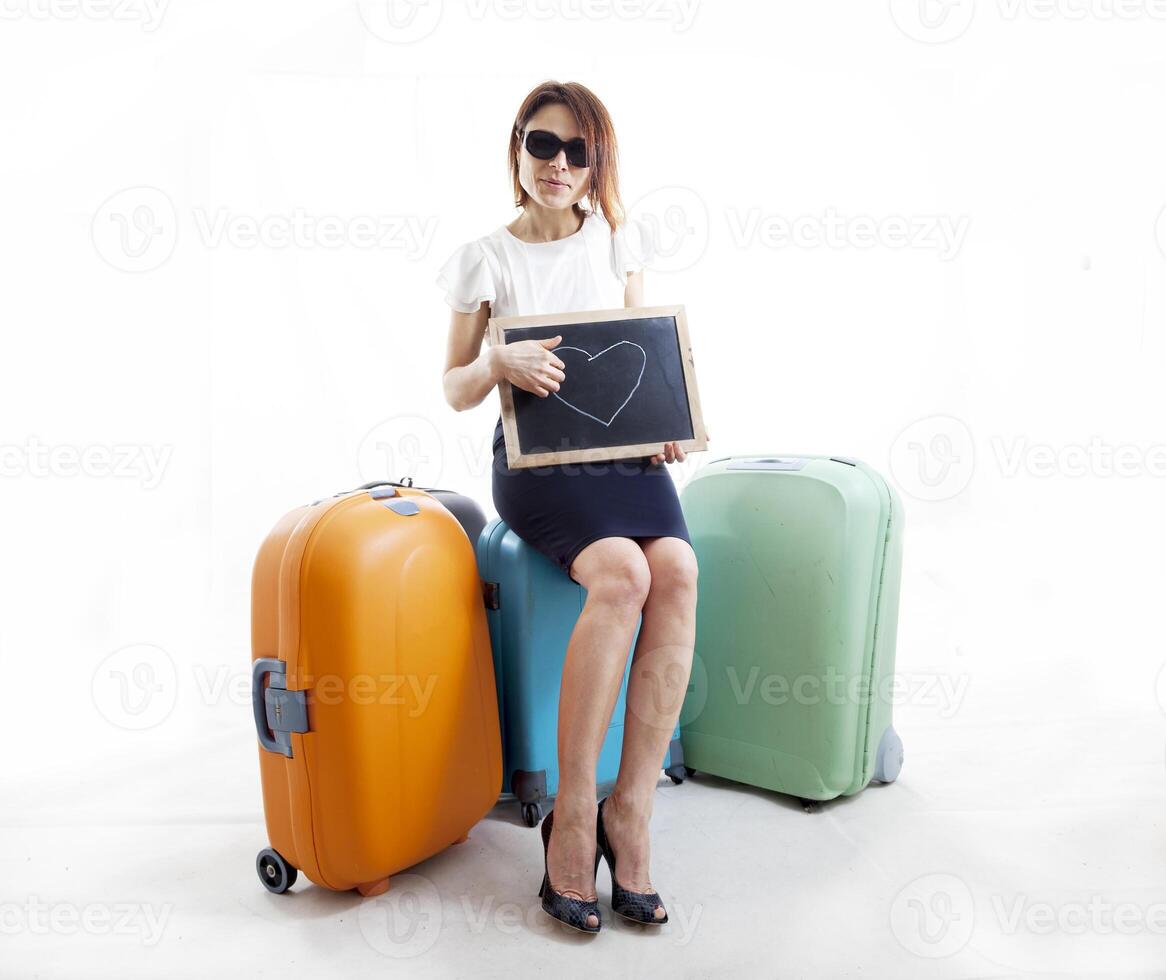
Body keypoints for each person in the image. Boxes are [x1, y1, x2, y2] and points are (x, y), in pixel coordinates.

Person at [436, 80, 705, 934]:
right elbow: (451, 387)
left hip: (619, 454)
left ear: (597, 166)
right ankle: (575, 812)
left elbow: (636, 346)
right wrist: (497, 366)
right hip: (535, 460)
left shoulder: (618, 237)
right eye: (544, 145)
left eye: (579, 152)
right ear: (518, 147)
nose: (560, 165)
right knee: (623, 572)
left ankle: (634, 809)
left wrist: (665, 422)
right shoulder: (487, 257)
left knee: (678, 567)